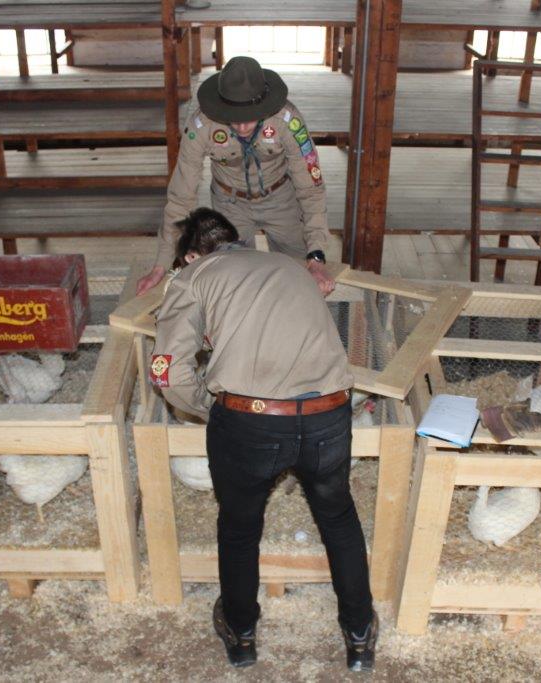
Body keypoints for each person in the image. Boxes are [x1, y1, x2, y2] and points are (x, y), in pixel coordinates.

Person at [149, 208, 378, 672]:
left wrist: (212, 406)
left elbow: (167, 371)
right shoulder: (290, 266)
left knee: (240, 526)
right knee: (338, 517)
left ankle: (241, 635)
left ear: (191, 255)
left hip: (252, 423)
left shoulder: (193, 276)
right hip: (329, 412)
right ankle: (358, 634)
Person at [136, 56, 335, 297]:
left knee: (301, 279)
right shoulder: (201, 126)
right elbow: (181, 198)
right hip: (230, 205)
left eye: (250, 116)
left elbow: (311, 190)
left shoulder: (287, 121)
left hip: (282, 200)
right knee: (234, 284)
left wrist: (316, 256)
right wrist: (161, 264)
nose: (241, 127)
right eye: (233, 116)